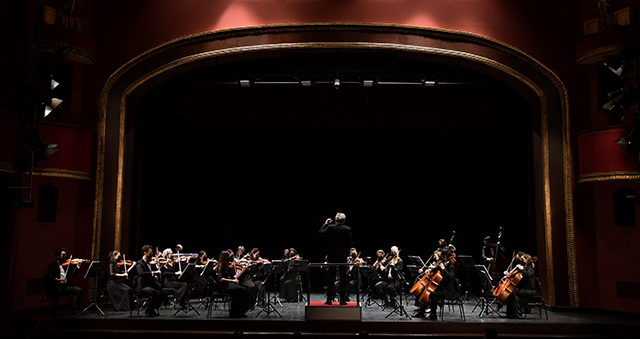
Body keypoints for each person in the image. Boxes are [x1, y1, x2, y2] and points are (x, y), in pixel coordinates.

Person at [319, 212, 353, 305]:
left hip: (332, 256)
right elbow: (350, 244)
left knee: (331, 277)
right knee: (343, 278)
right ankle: (342, 299)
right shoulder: (347, 229)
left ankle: (329, 299)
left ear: (335, 219)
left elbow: (321, 232)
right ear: (344, 220)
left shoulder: (330, 227)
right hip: (342, 256)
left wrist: (326, 224)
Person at [413, 249, 458, 320]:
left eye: (441, 256)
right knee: (425, 290)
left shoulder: (451, 266)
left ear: (445, 257)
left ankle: (433, 314)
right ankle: (421, 311)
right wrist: (430, 270)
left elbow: (451, 277)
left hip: (447, 290)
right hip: (441, 287)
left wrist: (443, 269)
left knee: (433, 294)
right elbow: (436, 269)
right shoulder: (442, 262)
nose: (439, 258)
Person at [44, 248, 85, 316]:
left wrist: (78, 266)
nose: (65, 256)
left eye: (65, 255)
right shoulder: (52, 265)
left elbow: (72, 274)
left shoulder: (67, 264)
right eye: (63, 255)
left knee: (80, 290)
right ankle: (53, 311)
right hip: (56, 285)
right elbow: (49, 277)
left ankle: (73, 309)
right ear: (58, 256)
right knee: (57, 291)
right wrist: (58, 279)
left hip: (65, 286)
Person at [135, 245, 168, 317]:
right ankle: (149, 309)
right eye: (150, 252)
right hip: (143, 287)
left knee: (164, 292)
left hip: (151, 285)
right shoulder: (139, 263)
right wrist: (153, 273)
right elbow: (141, 273)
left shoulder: (150, 263)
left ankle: (153, 308)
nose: (152, 254)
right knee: (155, 293)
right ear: (145, 253)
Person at [216, 250, 250, 317]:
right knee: (240, 290)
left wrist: (235, 278)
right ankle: (234, 313)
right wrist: (232, 280)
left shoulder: (226, 265)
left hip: (227, 285)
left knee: (243, 289)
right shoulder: (220, 265)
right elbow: (220, 279)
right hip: (222, 287)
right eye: (228, 256)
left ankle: (240, 312)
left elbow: (230, 276)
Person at [505, 254, 539, 319]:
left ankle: (517, 315)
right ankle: (510, 314)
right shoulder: (525, 268)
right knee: (511, 293)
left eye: (522, 259)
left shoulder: (531, 269)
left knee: (514, 293)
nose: (521, 261)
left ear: (527, 260)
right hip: (525, 290)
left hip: (531, 290)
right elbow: (516, 275)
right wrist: (509, 275)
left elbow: (526, 275)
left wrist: (522, 269)